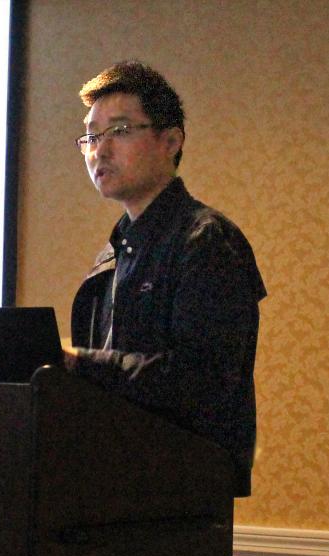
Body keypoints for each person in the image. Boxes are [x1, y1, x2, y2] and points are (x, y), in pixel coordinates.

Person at [64, 61, 266, 496]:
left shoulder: (206, 241)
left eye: (118, 131)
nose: (99, 150)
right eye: (91, 136)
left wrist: (78, 362)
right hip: (110, 483)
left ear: (170, 140)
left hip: (179, 497)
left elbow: (201, 381)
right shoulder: (114, 252)